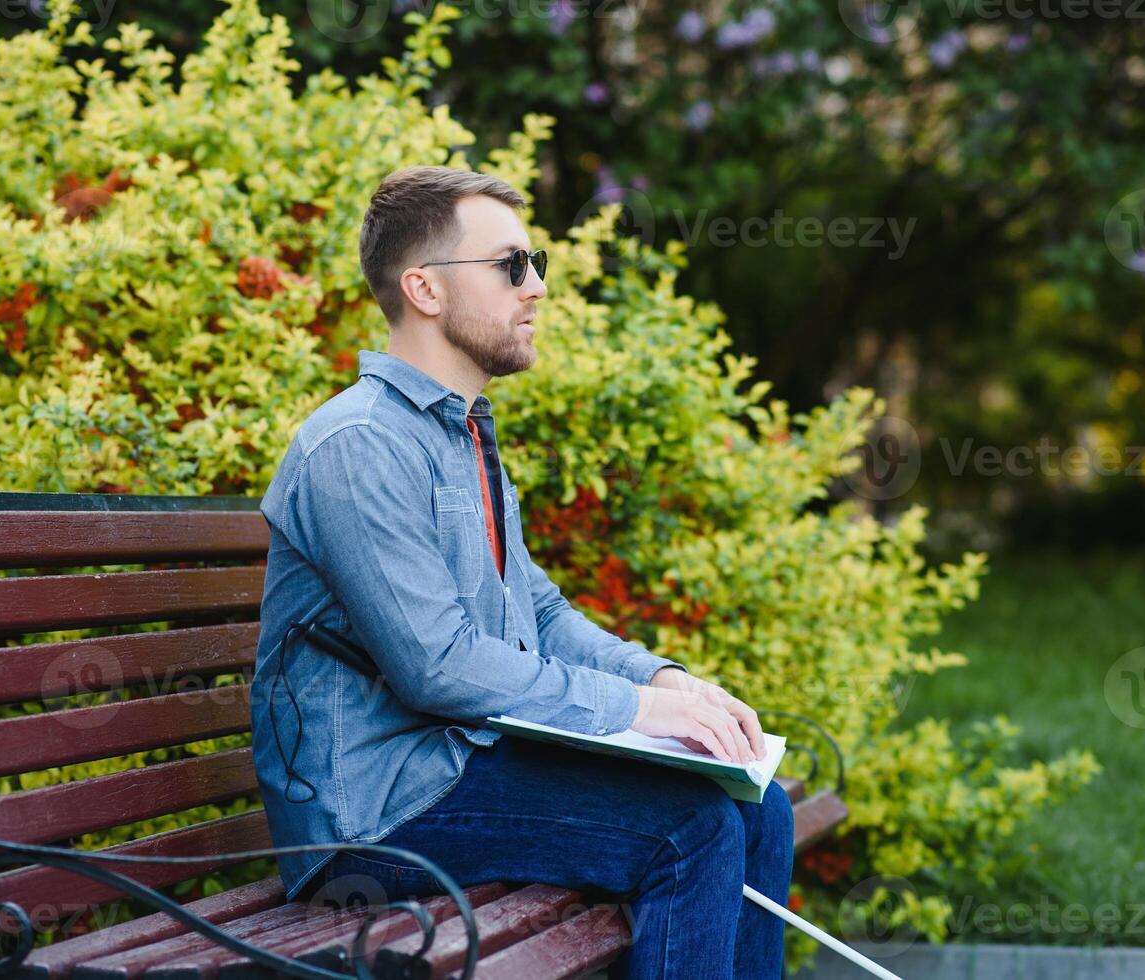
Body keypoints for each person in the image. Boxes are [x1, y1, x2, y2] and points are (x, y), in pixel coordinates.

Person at [250, 165, 794, 978]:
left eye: (534, 260)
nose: (536, 286)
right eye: (510, 266)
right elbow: (438, 669)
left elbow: (536, 615)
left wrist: (665, 680)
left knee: (762, 810)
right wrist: (636, 709)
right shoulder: (357, 446)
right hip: (370, 815)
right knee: (692, 828)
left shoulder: (459, 436)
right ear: (425, 289)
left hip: (456, 767)